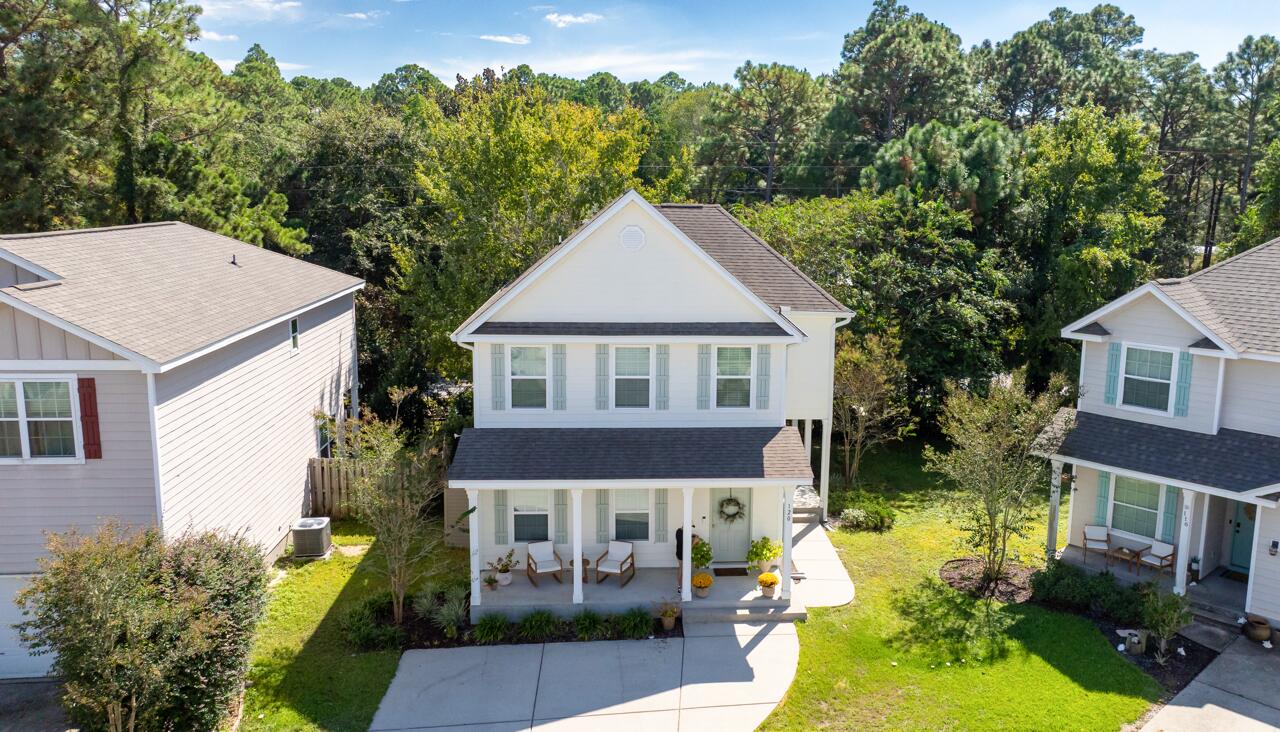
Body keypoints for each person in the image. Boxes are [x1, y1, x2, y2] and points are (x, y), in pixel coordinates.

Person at [675, 526, 701, 593]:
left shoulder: (679, 531)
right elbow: (687, 549)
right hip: (682, 555)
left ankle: (681, 586)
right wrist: (694, 542)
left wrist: (693, 535)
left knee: (682, 569)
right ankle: (680, 587)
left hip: (680, 553)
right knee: (682, 570)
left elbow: (687, 535)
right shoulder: (680, 534)